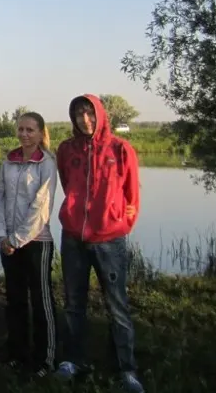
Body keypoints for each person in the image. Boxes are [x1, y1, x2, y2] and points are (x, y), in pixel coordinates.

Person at [54, 95, 144, 393]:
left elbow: (132, 194)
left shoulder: (120, 149)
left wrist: (119, 223)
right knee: (73, 303)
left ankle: (126, 369)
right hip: (73, 239)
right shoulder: (67, 150)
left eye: (90, 113)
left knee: (117, 305)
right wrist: (74, 216)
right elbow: (68, 183)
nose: (85, 120)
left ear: (100, 115)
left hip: (109, 240)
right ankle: (74, 360)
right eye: (79, 114)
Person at [0, 112, 58, 378]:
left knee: (41, 301)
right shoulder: (9, 161)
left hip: (36, 242)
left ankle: (45, 359)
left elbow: (41, 207)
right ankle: (17, 354)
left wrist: (17, 239)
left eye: (30, 130)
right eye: (20, 129)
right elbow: (0, 199)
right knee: (15, 300)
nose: (24, 134)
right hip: (8, 243)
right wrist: (1, 235)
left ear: (41, 133)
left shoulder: (46, 163)